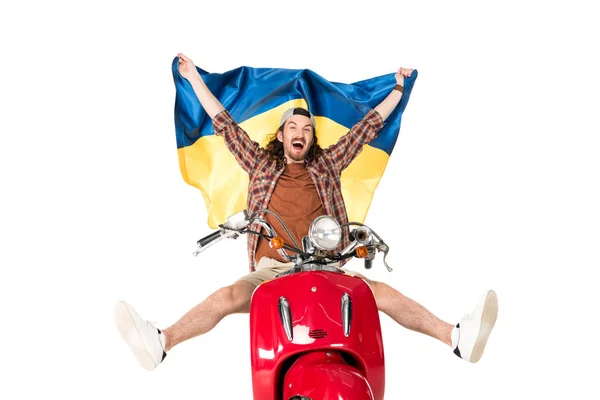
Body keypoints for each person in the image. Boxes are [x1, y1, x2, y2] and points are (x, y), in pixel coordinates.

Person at [115, 53, 498, 371]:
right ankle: (161, 342)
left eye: (308, 128)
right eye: (293, 126)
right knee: (228, 297)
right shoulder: (260, 165)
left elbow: (368, 127)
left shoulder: (327, 165)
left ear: (312, 138)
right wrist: (194, 77)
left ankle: (456, 338)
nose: (300, 132)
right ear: (281, 135)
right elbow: (224, 124)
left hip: (325, 265)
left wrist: (399, 88)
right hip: (273, 270)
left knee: (380, 294)